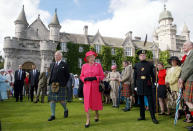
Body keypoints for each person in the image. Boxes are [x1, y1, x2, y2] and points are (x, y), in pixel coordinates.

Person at [80, 50, 104, 128]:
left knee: (95, 102)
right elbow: (81, 76)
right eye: (90, 57)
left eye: (93, 56)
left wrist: (95, 77)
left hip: (95, 86)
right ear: (87, 58)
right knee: (87, 103)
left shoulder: (98, 65)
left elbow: (102, 76)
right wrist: (85, 79)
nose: (92, 58)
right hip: (86, 87)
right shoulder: (84, 66)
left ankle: (97, 114)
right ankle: (88, 119)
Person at [133, 50, 158, 124]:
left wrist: (155, 82)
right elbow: (134, 76)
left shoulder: (150, 64)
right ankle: (142, 116)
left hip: (148, 84)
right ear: (139, 57)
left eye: (144, 55)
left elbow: (153, 75)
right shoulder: (136, 65)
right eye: (141, 55)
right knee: (141, 102)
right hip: (139, 84)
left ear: (145, 56)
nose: (142, 56)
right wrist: (135, 86)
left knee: (150, 101)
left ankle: (153, 117)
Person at [48, 51, 70, 121]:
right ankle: (53, 115)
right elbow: (50, 73)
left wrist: (64, 83)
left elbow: (67, 76)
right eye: (55, 55)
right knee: (52, 100)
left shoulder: (64, 64)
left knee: (61, 100)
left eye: (57, 55)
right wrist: (50, 82)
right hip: (53, 84)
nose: (55, 57)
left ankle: (66, 109)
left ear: (61, 56)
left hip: (61, 85)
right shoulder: (52, 64)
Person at [178, 41, 193, 130]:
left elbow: (190, 67)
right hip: (188, 79)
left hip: (190, 79)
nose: (183, 46)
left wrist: (182, 78)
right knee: (189, 102)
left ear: (191, 46)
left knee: (188, 102)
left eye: (185, 45)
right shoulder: (189, 54)